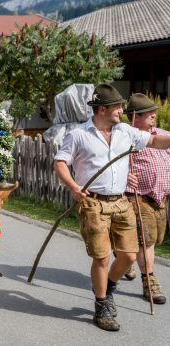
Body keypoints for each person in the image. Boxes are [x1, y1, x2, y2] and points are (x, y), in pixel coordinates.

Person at [54, 84, 170, 331]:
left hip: (121, 202)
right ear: (102, 109)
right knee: (102, 257)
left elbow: (155, 141)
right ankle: (101, 304)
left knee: (128, 255)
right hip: (93, 203)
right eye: (118, 106)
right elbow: (61, 162)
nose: (122, 110)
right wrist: (75, 188)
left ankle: (108, 286)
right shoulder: (79, 135)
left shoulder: (125, 132)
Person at [124, 93, 168, 304]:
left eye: (153, 112)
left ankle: (124, 257)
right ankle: (149, 281)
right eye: (148, 113)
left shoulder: (161, 135)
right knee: (146, 242)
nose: (153, 115)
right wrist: (125, 173)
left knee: (155, 239)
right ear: (135, 117)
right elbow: (111, 164)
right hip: (138, 195)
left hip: (160, 197)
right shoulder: (127, 138)